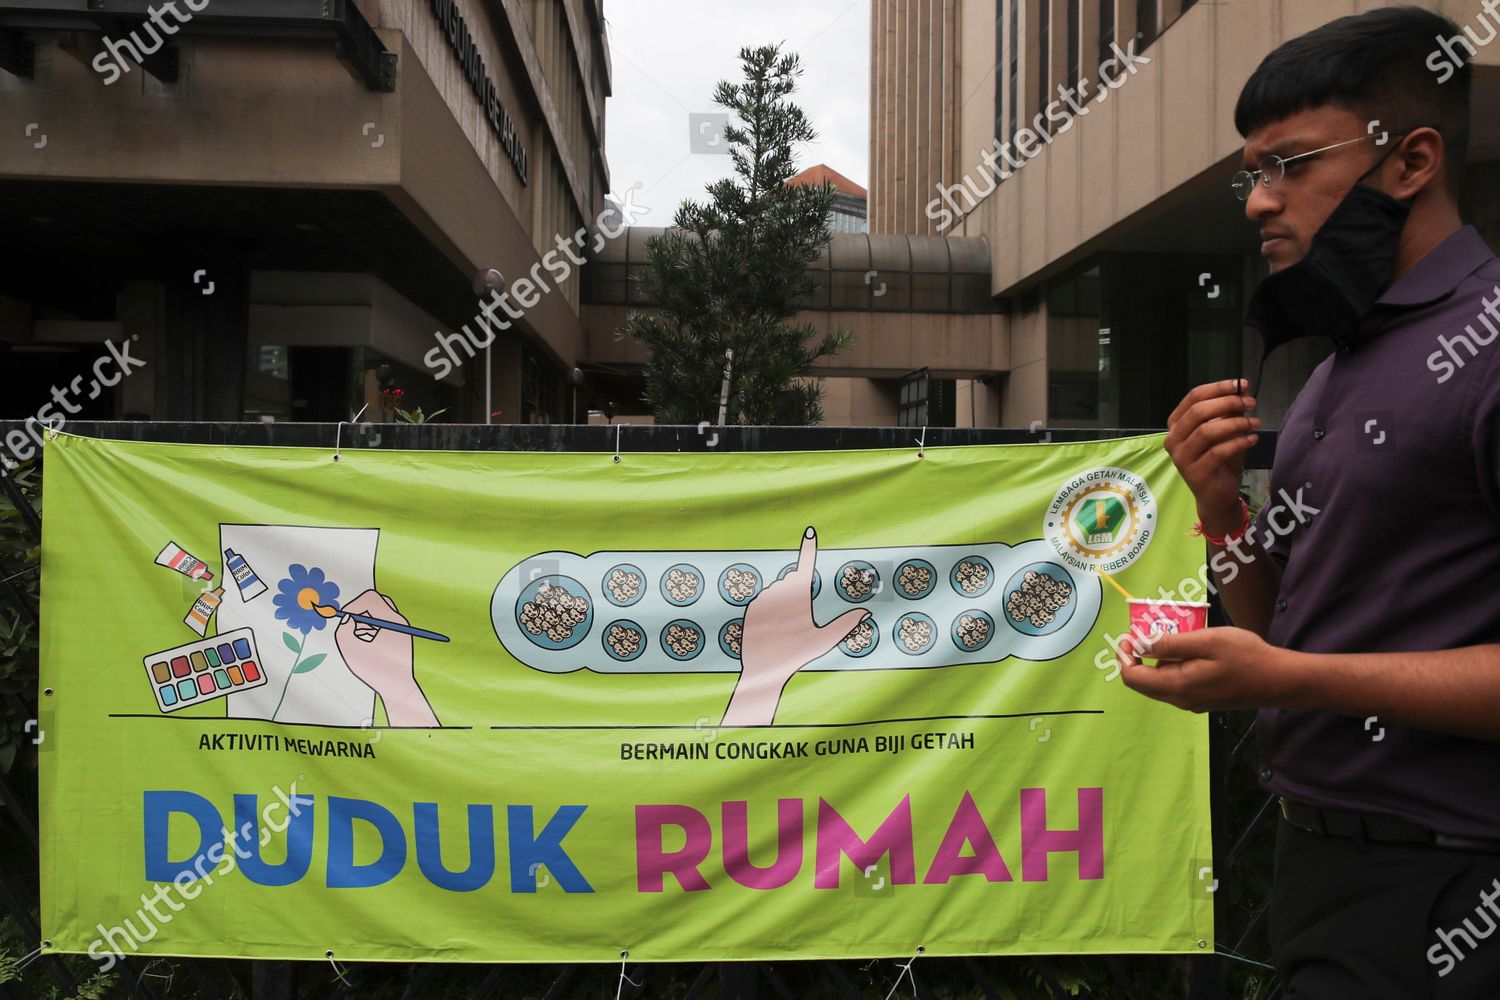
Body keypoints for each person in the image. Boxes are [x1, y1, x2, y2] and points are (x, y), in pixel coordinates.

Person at [1116, 7, 1500, 997]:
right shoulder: (1335, 365)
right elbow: (1292, 626)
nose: (1257, 201)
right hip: (1322, 871)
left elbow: (1293, 661)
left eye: (1291, 164)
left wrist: (1287, 675)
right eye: (1253, 171)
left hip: (1456, 884)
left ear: (1412, 161)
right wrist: (1221, 516)